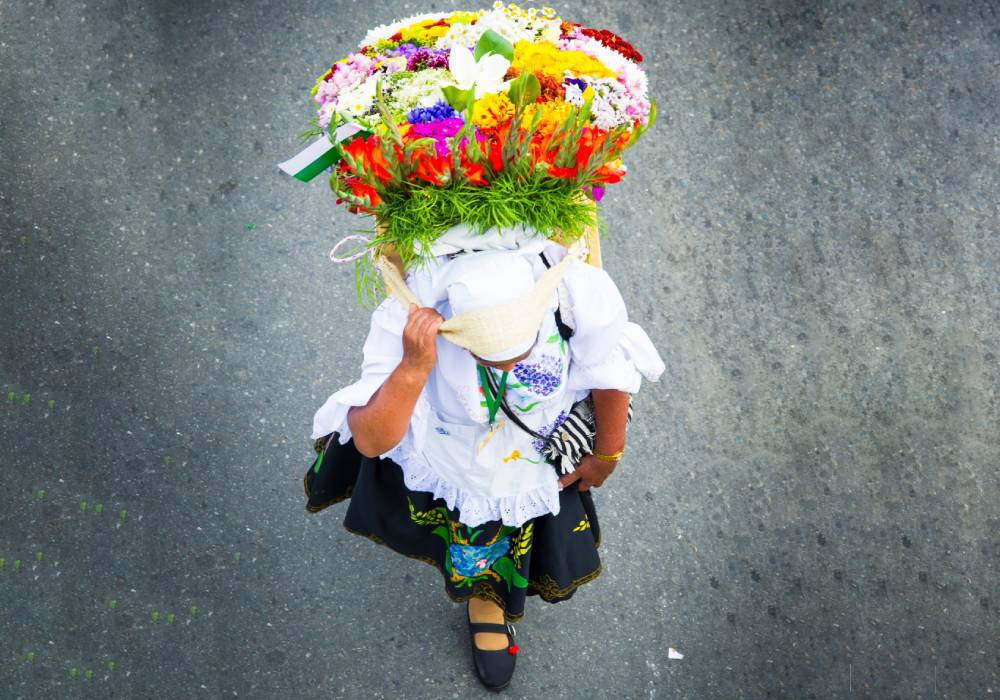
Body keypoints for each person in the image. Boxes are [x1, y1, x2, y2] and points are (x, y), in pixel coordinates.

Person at [309, 224, 664, 690]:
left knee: (507, 543)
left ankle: (488, 605)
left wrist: (607, 451)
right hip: (450, 458)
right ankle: (482, 598)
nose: (511, 367)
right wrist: (414, 368)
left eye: (523, 348)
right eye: (491, 357)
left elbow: (608, 366)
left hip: (533, 466)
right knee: (470, 540)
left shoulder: (571, 286)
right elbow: (372, 440)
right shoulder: (409, 310)